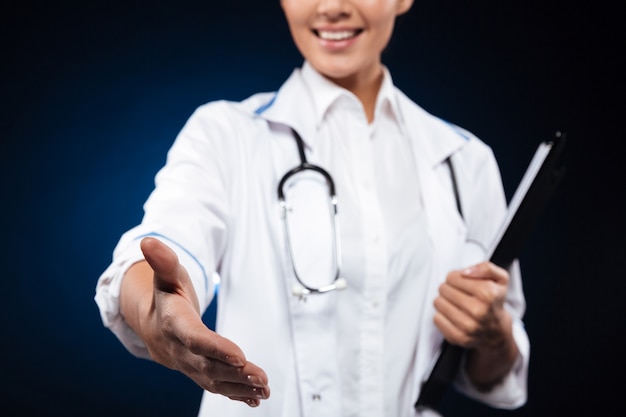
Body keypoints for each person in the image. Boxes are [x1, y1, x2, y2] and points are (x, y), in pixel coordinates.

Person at [95, 0, 529, 416]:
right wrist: (160, 313)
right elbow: (162, 250)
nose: (332, 6)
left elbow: (496, 373)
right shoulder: (226, 135)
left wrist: (493, 334)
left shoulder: (464, 161)